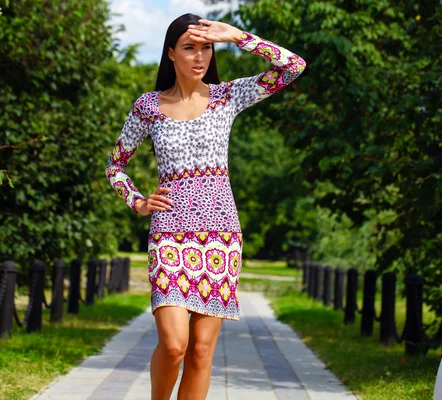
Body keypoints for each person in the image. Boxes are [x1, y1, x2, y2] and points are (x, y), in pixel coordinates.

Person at [105, 13, 306, 400]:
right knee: (175, 344)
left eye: (207, 48)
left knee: (200, 351)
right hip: (168, 239)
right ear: (171, 54)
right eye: (190, 47)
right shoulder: (148, 106)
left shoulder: (227, 96)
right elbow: (116, 165)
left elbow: (292, 66)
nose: (200, 57)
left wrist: (237, 36)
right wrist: (138, 202)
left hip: (219, 240)